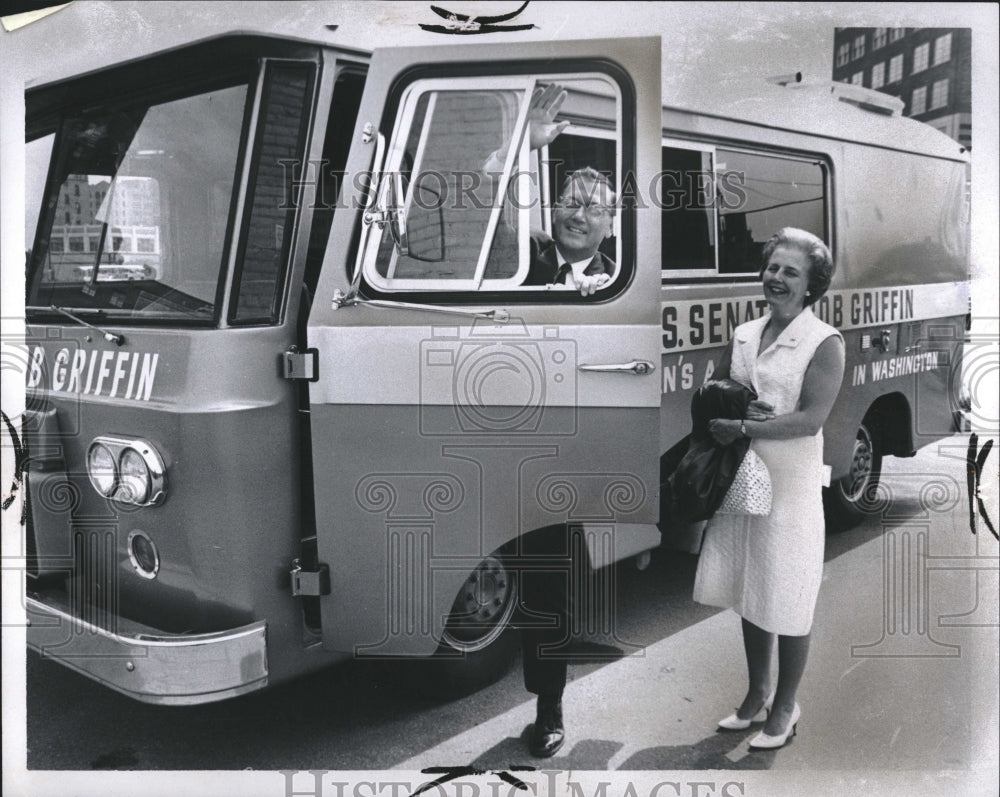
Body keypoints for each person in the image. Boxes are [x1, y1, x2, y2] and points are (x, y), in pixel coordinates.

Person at [691, 227, 846, 750]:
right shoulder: (744, 332)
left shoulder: (825, 342)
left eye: (790, 272)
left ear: (811, 287)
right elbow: (713, 392)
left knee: (789, 593)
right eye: (772, 268)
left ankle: (786, 704)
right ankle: (756, 695)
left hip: (791, 484)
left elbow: (809, 420)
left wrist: (745, 426)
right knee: (750, 586)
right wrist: (731, 404)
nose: (776, 278)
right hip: (743, 479)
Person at [486, 84, 615, 297]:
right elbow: (483, 217)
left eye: (594, 208)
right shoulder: (526, 251)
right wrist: (517, 147)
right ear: (555, 211)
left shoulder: (615, 278)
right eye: (571, 203)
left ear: (610, 227)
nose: (579, 216)